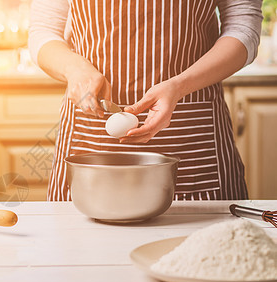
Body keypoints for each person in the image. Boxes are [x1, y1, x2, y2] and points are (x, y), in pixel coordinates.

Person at [28, 0, 263, 201]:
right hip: (90, 138)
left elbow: (243, 28)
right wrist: (73, 69)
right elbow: (43, 30)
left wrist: (180, 85)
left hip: (192, 146)